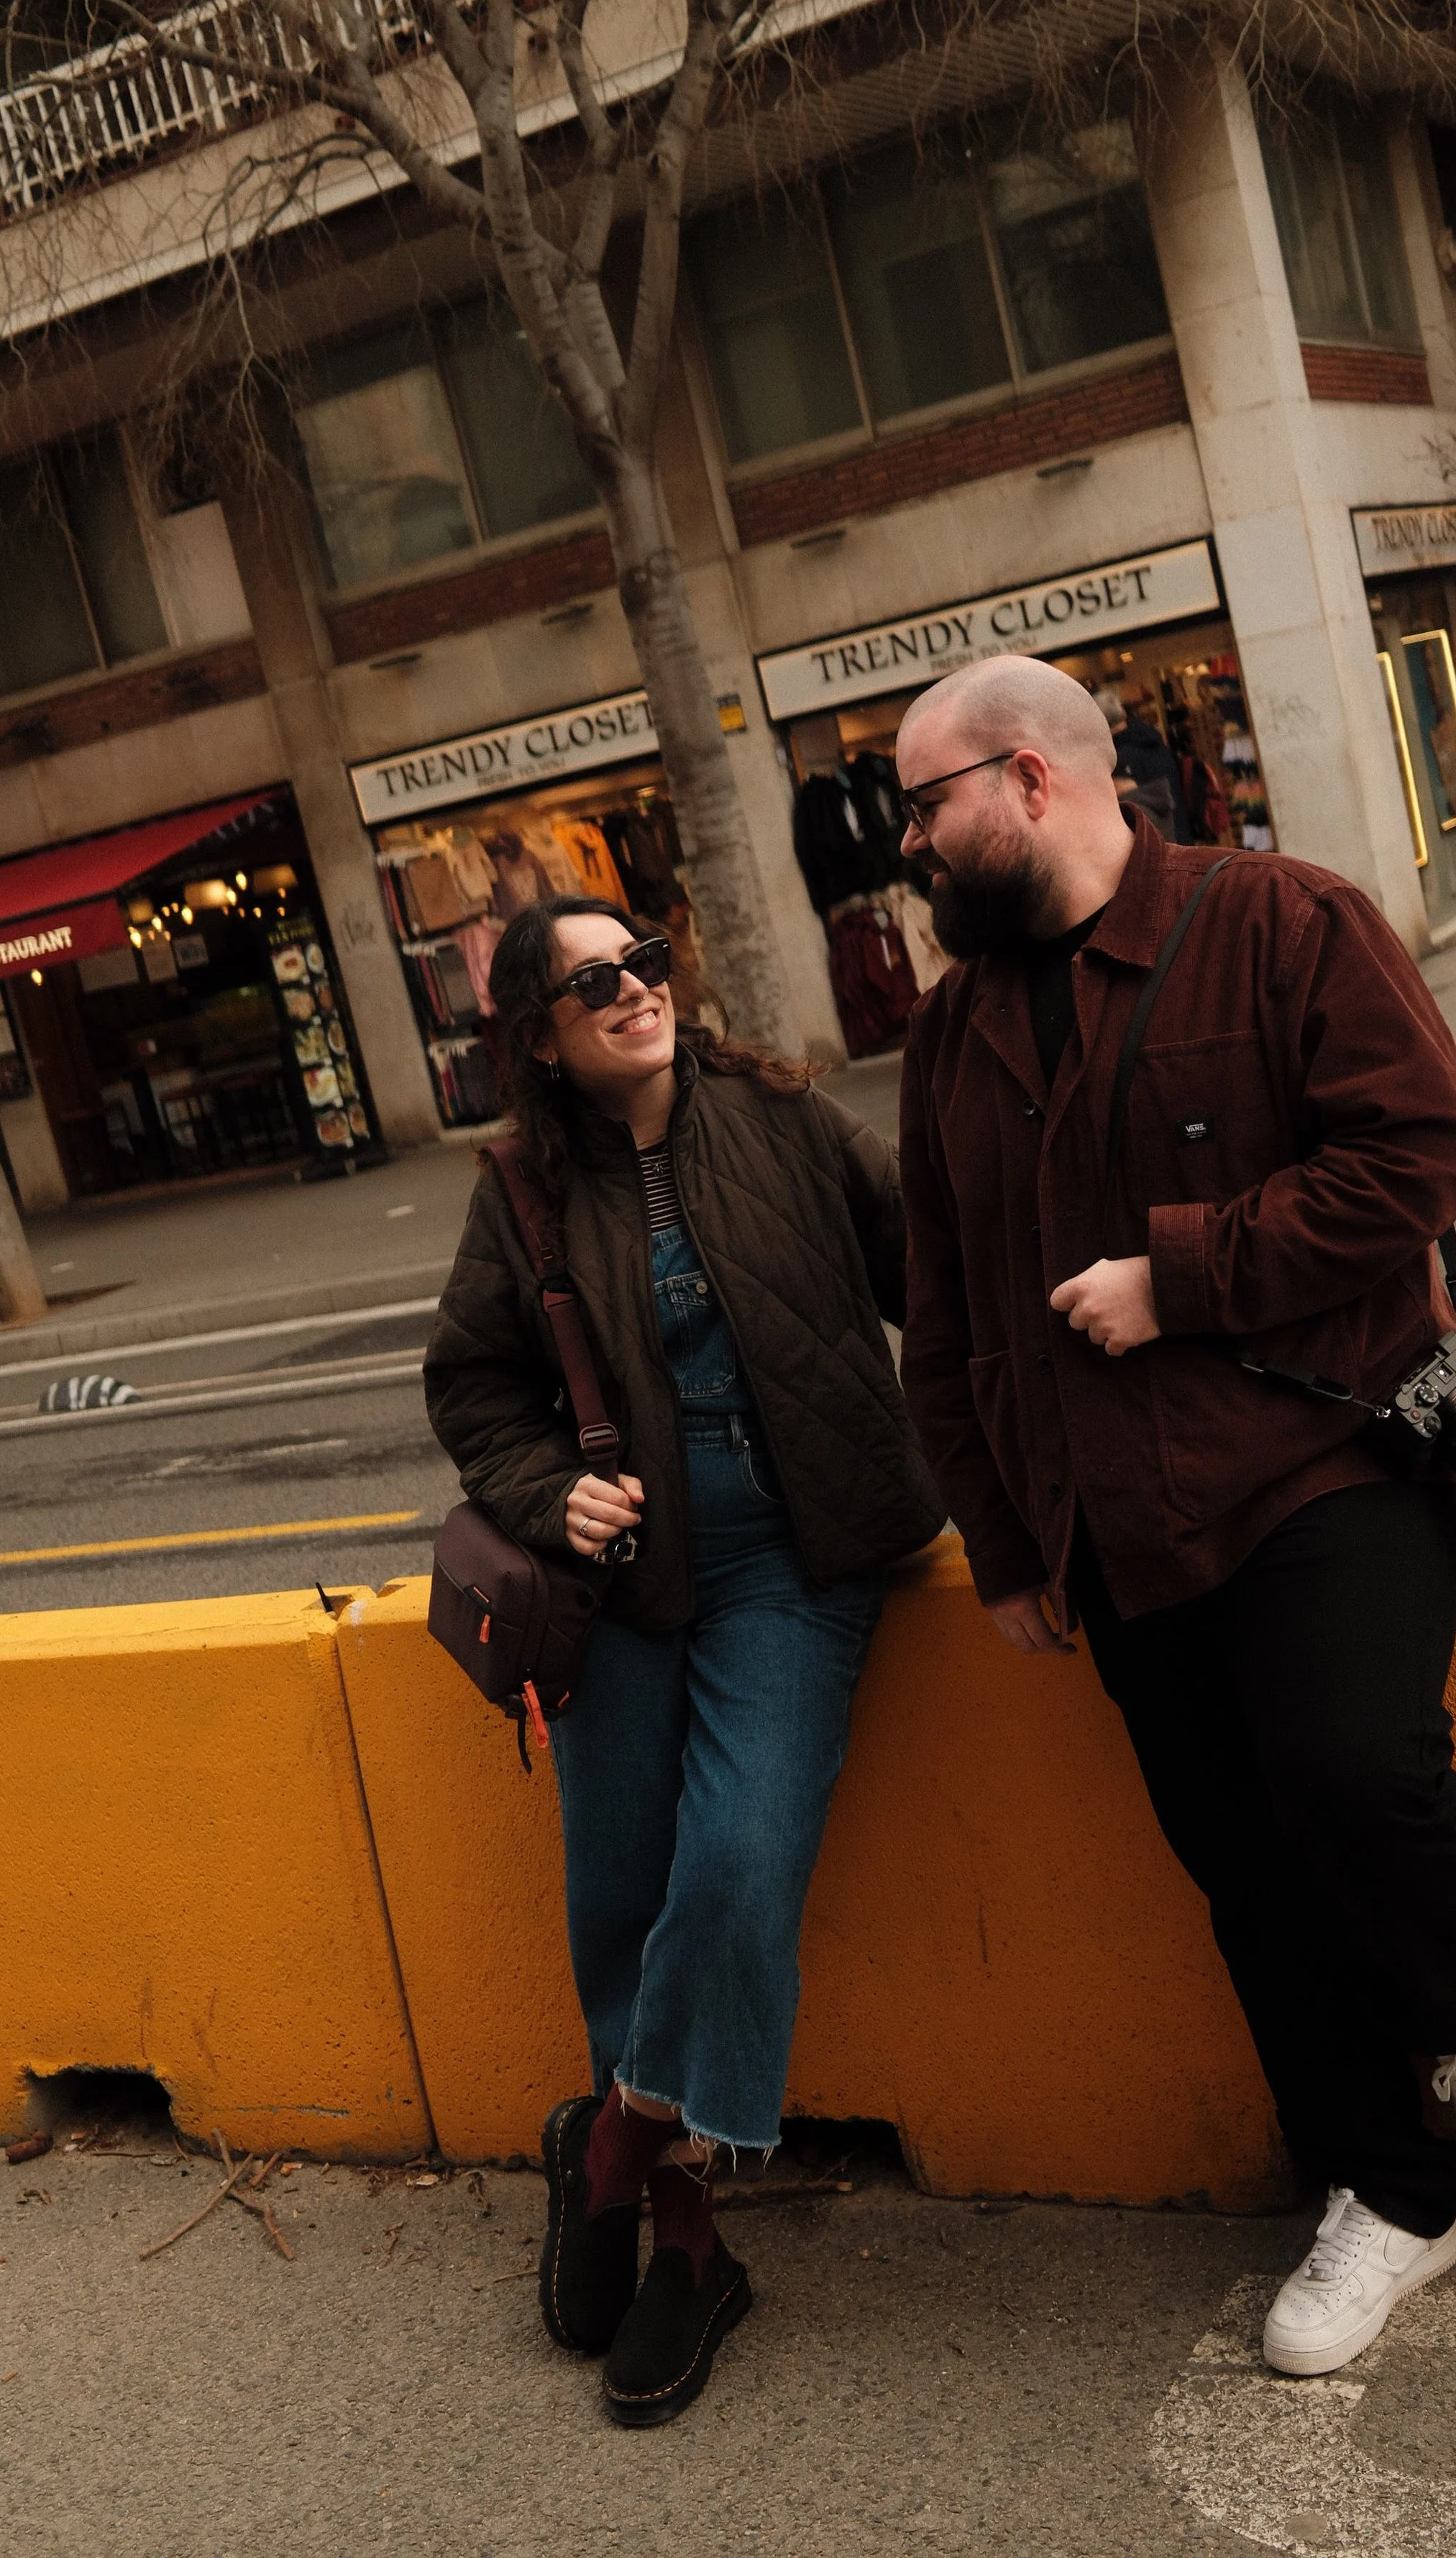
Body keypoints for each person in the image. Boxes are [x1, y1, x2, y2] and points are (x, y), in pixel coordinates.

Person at [891, 653, 1456, 2383]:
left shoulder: (1281, 921)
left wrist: (1176, 1277)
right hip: (1115, 1536)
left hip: (1322, 1458)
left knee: (1356, 1769)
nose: (911, 844)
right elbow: (948, 1315)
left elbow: (1414, 1154)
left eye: (926, 803)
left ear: (1029, 780)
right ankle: (1389, 2194)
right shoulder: (952, 1033)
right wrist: (1008, 1539)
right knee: (1247, 1880)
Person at [424, 896, 944, 2426]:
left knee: (735, 1867)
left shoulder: (785, 1119)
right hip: (627, 1573)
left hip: (797, 1557)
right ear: (539, 1033)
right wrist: (544, 1493)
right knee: (623, 1898)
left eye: (643, 963)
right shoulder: (518, 1185)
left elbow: (939, 1280)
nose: (632, 992)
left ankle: (606, 2146)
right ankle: (687, 2239)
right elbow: (473, 1385)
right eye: (593, 983)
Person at [1094, 683, 1187, 839]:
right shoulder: (1156, 743)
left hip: (1156, 848)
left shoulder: (1115, 761)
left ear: (1098, 723)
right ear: (1123, 713)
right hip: (1181, 835)